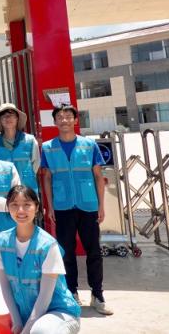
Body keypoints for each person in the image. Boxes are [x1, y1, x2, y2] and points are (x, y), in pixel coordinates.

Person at [41, 105, 112, 315]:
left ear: (75, 120)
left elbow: (98, 176)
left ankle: (97, 294)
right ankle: (71, 293)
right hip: (62, 206)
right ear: (55, 122)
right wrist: (50, 206)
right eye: (60, 117)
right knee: (66, 253)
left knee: (94, 251)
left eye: (68, 116)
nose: (64, 120)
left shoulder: (89, 145)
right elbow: (47, 178)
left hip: (88, 205)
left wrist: (101, 205)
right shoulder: (48, 147)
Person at [0, 186, 81, 334]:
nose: (20, 210)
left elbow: (44, 298)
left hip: (58, 313)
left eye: (27, 204)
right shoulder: (1, 241)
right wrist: (17, 322)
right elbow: (5, 285)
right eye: (14, 205)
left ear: (37, 207)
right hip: (26, 315)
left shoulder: (48, 245)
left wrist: (26, 330)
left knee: (40, 331)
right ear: (8, 207)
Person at [0, 103, 41, 196]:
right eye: (4, 116)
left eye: (11, 115)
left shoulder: (30, 140)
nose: (8, 118)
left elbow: (36, 163)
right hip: (3, 190)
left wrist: (27, 175)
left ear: (17, 118)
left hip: (27, 188)